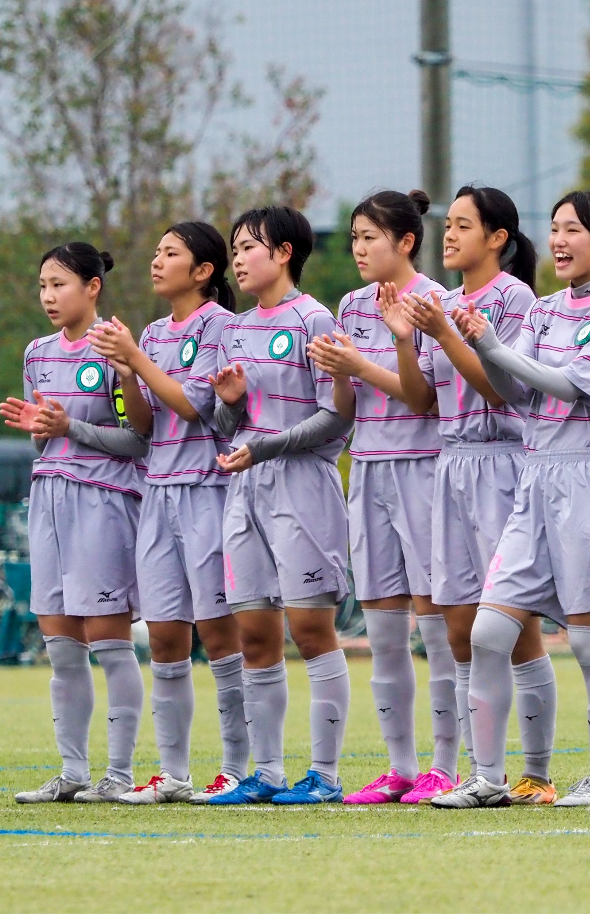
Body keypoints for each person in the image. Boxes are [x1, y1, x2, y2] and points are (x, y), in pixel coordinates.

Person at [432, 190, 590, 809]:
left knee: (588, 641)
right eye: (555, 229)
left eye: (574, 230)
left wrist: (493, 346)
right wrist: (480, 344)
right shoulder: (546, 308)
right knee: (488, 632)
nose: (559, 241)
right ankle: (489, 779)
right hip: (536, 475)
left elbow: (571, 386)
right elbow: (513, 392)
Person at [383, 184, 556, 804]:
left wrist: (445, 331)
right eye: (447, 225)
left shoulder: (514, 299)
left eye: (463, 225)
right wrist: (405, 336)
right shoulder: (441, 303)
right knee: (457, 627)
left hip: (504, 463)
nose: (449, 236)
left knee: (513, 627)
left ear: (498, 238)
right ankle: (482, 775)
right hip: (450, 464)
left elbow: (501, 389)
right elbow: (421, 397)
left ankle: (535, 773)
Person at [85, 221, 251, 804]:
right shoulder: (153, 333)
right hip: (157, 490)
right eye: (155, 251)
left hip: (207, 489)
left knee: (219, 630)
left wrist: (136, 359)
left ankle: (236, 768)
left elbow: (195, 407)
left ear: (204, 271)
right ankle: (174, 774)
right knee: (163, 636)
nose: (157, 261)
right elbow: (146, 423)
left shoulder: (221, 327)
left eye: (170, 253)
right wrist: (128, 374)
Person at [304, 189, 454, 805]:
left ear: (406, 241)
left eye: (370, 237)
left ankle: (445, 767)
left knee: (435, 625)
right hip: (364, 468)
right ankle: (399, 768)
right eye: (355, 237)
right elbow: (346, 409)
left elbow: (424, 400)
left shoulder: (435, 302)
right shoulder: (350, 303)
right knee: (384, 630)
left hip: (421, 470)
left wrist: (362, 363)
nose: (359, 248)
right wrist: (340, 372)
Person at [203, 206, 355, 806]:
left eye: (249, 247)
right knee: (255, 634)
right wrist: (231, 405)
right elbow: (226, 422)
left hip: (302, 485)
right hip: (246, 488)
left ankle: (326, 775)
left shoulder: (315, 317)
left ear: (285, 252)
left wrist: (260, 444)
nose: (238, 259)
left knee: (311, 628)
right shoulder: (235, 328)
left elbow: (334, 417)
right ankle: (264, 773)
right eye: (235, 248)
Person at [3, 243, 149, 804]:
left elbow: (138, 440)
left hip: (104, 501)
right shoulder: (37, 353)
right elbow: (47, 434)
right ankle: (72, 772)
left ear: (93, 287)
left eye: (59, 284)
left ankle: (119, 775)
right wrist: (40, 428)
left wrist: (70, 428)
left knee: (108, 643)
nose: (48, 296)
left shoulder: (114, 348)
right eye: (42, 285)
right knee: (61, 647)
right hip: (49, 498)